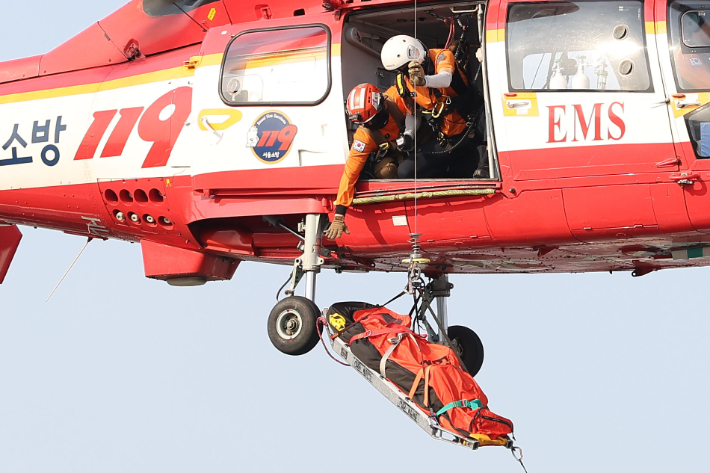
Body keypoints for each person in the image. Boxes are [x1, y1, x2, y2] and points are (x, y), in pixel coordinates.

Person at [380, 35, 483, 179]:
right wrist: (409, 134)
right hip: (445, 137)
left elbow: (446, 78)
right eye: (401, 70)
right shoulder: (405, 82)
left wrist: (424, 81)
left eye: (407, 67)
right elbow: (413, 112)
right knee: (406, 171)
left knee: (463, 169)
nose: (406, 72)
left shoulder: (441, 56)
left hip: (468, 131)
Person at [325, 83, 415, 239]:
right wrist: (339, 214)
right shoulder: (364, 136)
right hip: (399, 154)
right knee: (388, 171)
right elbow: (350, 173)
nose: (368, 126)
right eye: (364, 124)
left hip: (421, 138)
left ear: (382, 106)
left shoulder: (396, 97)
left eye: (370, 122)